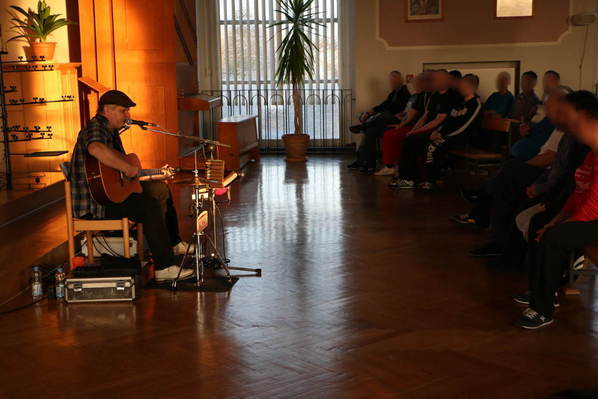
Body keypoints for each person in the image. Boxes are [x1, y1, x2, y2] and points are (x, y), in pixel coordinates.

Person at [69, 90, 194, 282]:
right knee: (149, 205)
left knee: (159, 189)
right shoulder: (96, 128)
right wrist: (127, 168)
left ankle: (172, 243)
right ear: (107, 110)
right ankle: (164, 268)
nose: (128, 116)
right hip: (97, 204)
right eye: (123, 111)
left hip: (109, 196)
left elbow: (112, 169)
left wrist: (144, 173)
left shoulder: (110, 131)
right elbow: (95, 148)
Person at [516, 90, 598, 329]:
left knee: (555, 236)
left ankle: (543, 310)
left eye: (570, 116)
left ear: (585, 117)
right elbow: (578, 194)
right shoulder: (590, 154)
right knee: (543, 225)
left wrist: (559, 226)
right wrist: (556, 220)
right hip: (591, 216)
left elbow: (593, 206)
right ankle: (541, 294)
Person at [390, 70, 461, 189]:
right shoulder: (435, 96)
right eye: (434, 79)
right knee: (409, 138)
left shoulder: (451, 96)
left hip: (439, 132)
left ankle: (411, 178)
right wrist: (413, 130)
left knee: (412, 141)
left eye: (437, 79)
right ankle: (409, 178)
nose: (434, 81)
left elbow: (438, 120)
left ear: (446, 80)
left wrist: (417, 132)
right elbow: (425, 116)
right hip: (429, 130)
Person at [420, 74, 483, 189]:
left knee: (432, 146)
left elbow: (465, 127)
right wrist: (437, 131)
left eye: (462, 85)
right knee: (424, 141)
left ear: (471, 87)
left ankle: (430, 180)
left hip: (464, 138)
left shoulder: (476, 104)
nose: (460, 87)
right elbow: (448, 121)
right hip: (450, 136)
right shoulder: (459, 104)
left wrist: (444, 136)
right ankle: (427, 177)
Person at [348, 71, 411, 172]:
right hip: (383, 122)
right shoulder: (393, 94)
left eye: (394, 81)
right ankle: (366, 163)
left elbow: (397, 111)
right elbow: (383, 105)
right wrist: (368, 113)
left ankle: (363, 126)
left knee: (384, 115)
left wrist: (375, 114)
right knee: (369, 132)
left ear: (401, 80)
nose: (392, 83)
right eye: (391, 81)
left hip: (394, 122)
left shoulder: (405, 95)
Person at [375, 72, 431, 176]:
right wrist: (400, 124)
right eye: (414, 84)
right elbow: (408, 113)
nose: (415, 86)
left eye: (417, 84)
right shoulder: (416, 96)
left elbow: (422, 117)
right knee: (388, 133)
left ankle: (392, 166)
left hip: (419, 127)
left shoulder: (428, 96)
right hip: (410, 125)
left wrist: (411, 129)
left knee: (392, 134)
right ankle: (392, 165)